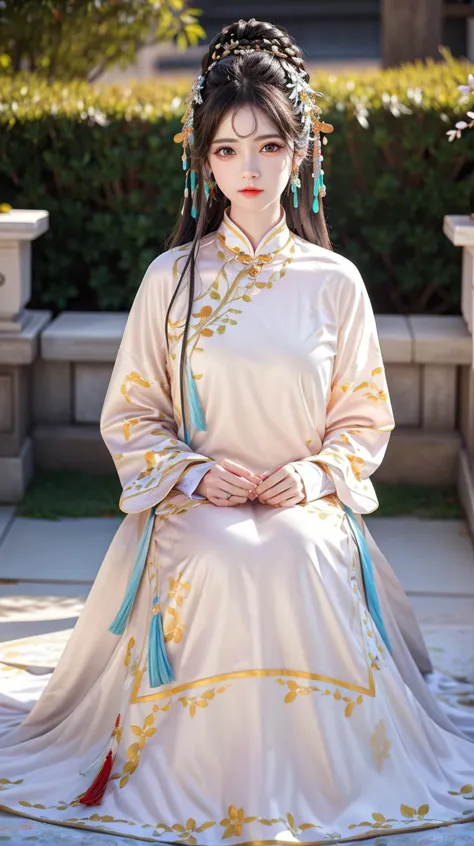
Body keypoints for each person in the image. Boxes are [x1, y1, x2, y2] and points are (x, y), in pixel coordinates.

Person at [1, 17, 474, 846]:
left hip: (306, 502)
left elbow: (364, 418)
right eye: (225, 150)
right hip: (195, 503)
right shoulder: (171, 279)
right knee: (225, 554)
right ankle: (189, 777)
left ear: (302, 156)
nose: (247, 171)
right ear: (203, 162)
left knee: (288, 549)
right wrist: (189, 474)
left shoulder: (335, 283)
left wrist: (317, 474)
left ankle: (323, 776)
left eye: (266, 148)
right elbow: (132, 413)